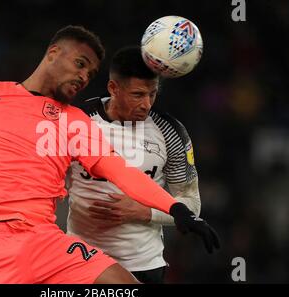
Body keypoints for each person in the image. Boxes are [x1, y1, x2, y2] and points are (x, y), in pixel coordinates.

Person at [0, 26, 219, 284]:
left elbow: (120, 172)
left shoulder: (75, 120)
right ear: (53, 53)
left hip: (46, 240)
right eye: (80, 64)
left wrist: (177, 209)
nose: (82, 77)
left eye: (90, 74)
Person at [66, 46, 205, 283]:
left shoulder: (170, 133)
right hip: (81, 258)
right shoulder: (78, 121)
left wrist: (144, 212)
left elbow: (192, 204)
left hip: (142, 265)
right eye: (138, 95)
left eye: (153, 94)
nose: (147, 104)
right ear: (113, 88)